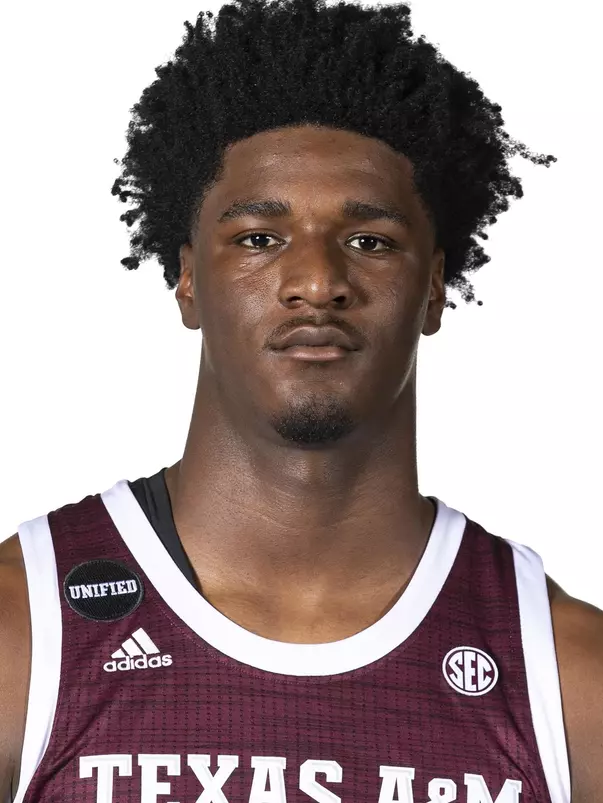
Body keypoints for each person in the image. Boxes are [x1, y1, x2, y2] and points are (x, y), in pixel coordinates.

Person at [1, 0, 601, 800]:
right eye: (258, 238)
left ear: (432, 290)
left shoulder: (565, 678)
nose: (317, 281)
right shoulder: (24, 634)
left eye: (369, 241)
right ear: (186, 280)